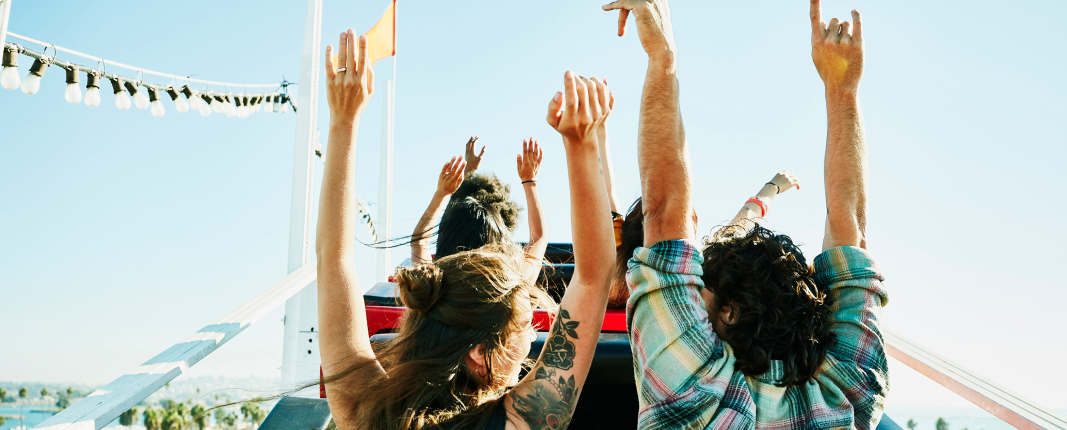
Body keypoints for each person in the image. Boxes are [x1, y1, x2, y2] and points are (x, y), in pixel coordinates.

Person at [603, 1, 890, 429]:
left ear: (731, 312)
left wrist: (663, 55)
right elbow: (851, 231)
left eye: (704, 288)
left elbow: (663, 212)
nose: (695, 290)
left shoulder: (690, 393)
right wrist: (843, 91)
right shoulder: (851, 392)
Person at [315, 28, 618, 430]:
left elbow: (334, 260)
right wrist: (583, 145)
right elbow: (595, 277)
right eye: (524, 327)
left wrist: (341, 122)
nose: (530, 341)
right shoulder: (519, 423)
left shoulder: (365, 411)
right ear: (480, 353)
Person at [604, 170, 800, 309]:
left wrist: (596, 130)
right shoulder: (698, 274)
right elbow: (742, 223)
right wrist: (772, 187)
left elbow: (606, 191)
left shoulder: (605, 271)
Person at [409, 138, 549, 286]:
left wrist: (442, 193)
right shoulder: (512, 287)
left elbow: (419, 242)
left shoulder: (429, 289)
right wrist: (529, 181)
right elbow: (538, 237)